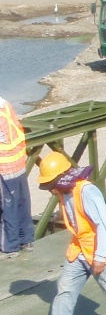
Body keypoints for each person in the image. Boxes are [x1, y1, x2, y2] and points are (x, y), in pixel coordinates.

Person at [36, 152, 106, 315]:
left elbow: (103, 224)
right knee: (65, 290)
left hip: (97, 250)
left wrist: (99, 257)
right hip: (79, 249)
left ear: (62, 177)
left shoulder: (87, 191)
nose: (51, 190)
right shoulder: (64, 191)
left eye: (51, 185)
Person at [0, 96, 34, 259]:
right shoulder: (5, 104)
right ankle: (26, 239)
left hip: (4, 165)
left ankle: (10, 246)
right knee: (21, 202)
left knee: (7, 206)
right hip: (18, 159)